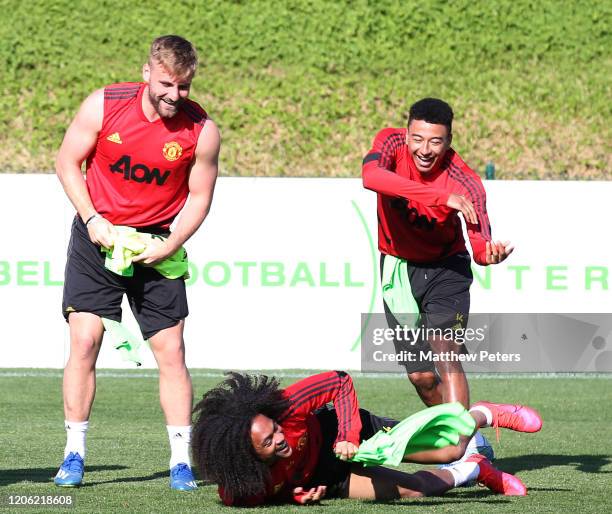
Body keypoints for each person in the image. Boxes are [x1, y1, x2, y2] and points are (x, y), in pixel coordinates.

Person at [54, 35, 220, 490]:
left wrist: (170, 244)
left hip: (157, 247)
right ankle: (74, 454)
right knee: (85, 342)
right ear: (147, 72)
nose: (175, 95)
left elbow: (200, 199)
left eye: (184, 86)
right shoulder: (104, 105)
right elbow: (68, 162)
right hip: (98, 238)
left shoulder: (201, 130)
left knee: (171, 352)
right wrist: (91, 218)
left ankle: (180, 461)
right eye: (167, 83)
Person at [362, 98, 513, 418]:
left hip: (448, 269)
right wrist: (441, 198)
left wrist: (492, 254)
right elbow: (371, 177)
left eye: (435, 141)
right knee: (422, 378)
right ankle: (472, 431)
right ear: (406, 135)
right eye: (417, 139)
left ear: (449, 142)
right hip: (398, 269)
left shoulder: (467, 183)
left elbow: (481, 248)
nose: (425, 149)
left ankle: (460, 450)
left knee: (445, 351)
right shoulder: (389, 142)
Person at [192, 371, 542, 506]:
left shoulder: (288, 407)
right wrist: (298, 495)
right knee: (418, 489)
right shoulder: (240, 490)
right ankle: (476, 471)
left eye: (275, 429)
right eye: (268, 443)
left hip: (347, 436)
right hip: (330, 476)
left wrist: (347, 434)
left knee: (447, 448)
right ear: (245, 457)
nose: (279, 438)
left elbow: (339, 381)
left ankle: (486, 413)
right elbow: (276, 493)